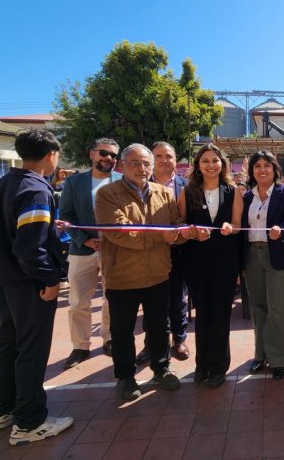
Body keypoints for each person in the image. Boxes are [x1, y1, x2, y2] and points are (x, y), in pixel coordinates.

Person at [0, 129, 73, 445]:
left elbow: (10, 231)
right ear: (51, 154)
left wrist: (51, 226)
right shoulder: (36, 190)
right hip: (29, 284)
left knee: (8, 344)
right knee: (31, 350)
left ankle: (4, 409)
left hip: (6, 280)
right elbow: (29, 247)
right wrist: (50, 279)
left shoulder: (4, 184)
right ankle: (29, 422)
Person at [95, 143, 185, 400]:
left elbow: (175, 225)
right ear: (122, 166)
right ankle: (125, 377)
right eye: (135, 163)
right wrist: (163, 236)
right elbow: (120, 233)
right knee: (122, 331)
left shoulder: (163, 193)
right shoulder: (108, 194)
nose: (142, 168)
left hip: (158, 274)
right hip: (122, 277)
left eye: (146, 163)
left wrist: (182, 234)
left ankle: (161, 368)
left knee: (159, 325)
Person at [178, 143, 243, 388]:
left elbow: (237, 224)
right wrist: (193, 233)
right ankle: (201, 365)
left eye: (215, 160)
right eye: (205, 160)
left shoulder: (233, 190)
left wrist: (231, 228)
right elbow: (180, 226)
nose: (211, 165)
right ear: (198, 165)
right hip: (196, 262)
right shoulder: (187, 192)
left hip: (225, 263)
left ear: (222, 164)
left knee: (221, 315)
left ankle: (218, 367)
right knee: (203, 314)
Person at [58, 138, 122, 370]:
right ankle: (80, 346)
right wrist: (84, 239)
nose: (109, 159)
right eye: (104, 153)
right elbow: (66, 216)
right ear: (92, 154)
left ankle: (109, 339)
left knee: (111, 299)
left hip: (113, 251)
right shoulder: (74, 182)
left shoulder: (122, 182)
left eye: (114, 155)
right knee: (78, 301)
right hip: (81, 251)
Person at [241, 150, 284, 380]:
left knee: (278, 309)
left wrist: (281, 230)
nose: (262, 170)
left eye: (267, 165)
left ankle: (279, 359)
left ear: (275, 168)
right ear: (251, 170)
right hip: (252, 255)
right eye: (257, 166)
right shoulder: (246, 196)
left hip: (278, 255)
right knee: (258, 306)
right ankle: (260, 354)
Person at [135, 142, 191, 366]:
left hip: (179, 252)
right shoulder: (139, 186)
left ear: (176, 160)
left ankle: (179, 339)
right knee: (150, 301)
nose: (164, 160)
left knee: (178, 298)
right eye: (159, 156)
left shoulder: (187, 186)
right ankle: (152, 342)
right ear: (151, 159)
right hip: (149, 253)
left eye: (169, 155)